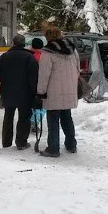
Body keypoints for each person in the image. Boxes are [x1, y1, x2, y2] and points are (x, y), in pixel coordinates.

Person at [0, 34, 39, 150]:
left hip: (8, 93)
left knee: (8, 116)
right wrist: (37, 93)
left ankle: (6, 142)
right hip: (25, 94)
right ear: (24, 44)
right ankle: (21, 142)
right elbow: (34, 78)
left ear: (13, 43)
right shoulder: (30, 58)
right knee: (24, 117)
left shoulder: (4, 57)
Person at [36, 26, 80, 157]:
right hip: (70, 90)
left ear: (47, 37)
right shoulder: (72, 50)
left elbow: (44, 75)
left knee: (53, 121)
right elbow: (78, 69)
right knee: (67, 118)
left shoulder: (48, 53)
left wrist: (41, 92)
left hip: (53, 92)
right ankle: (71, 144)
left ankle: (53, 148)